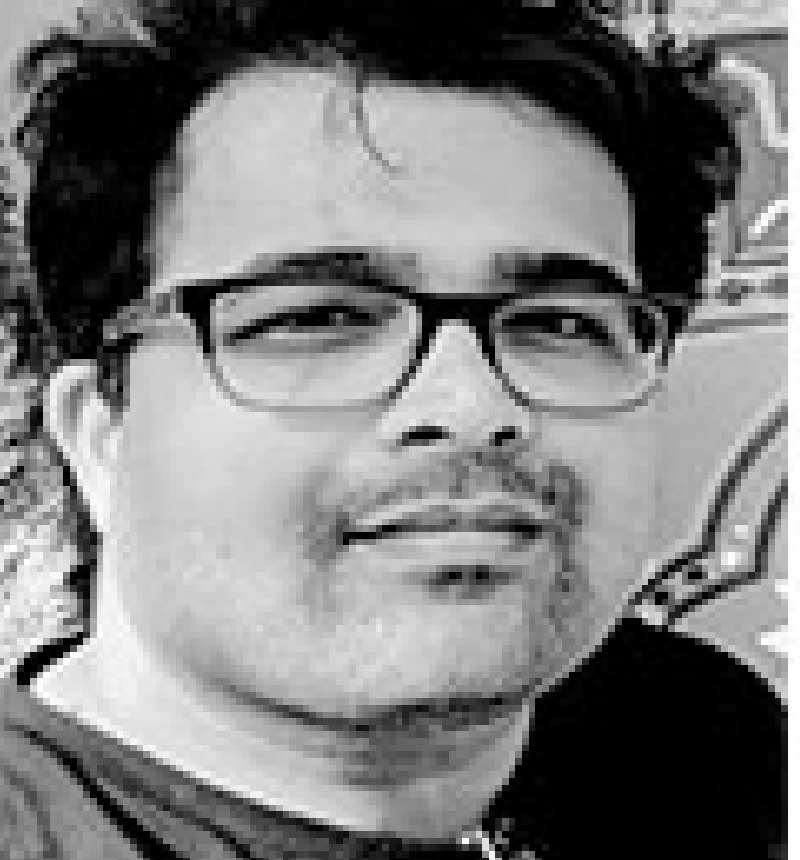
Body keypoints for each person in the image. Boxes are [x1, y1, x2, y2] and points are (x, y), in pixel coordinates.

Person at [0, 1, 785, 858]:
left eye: (561, 322)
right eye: (320, 317)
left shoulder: (699, 743)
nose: (472, 406)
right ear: (100, 432)